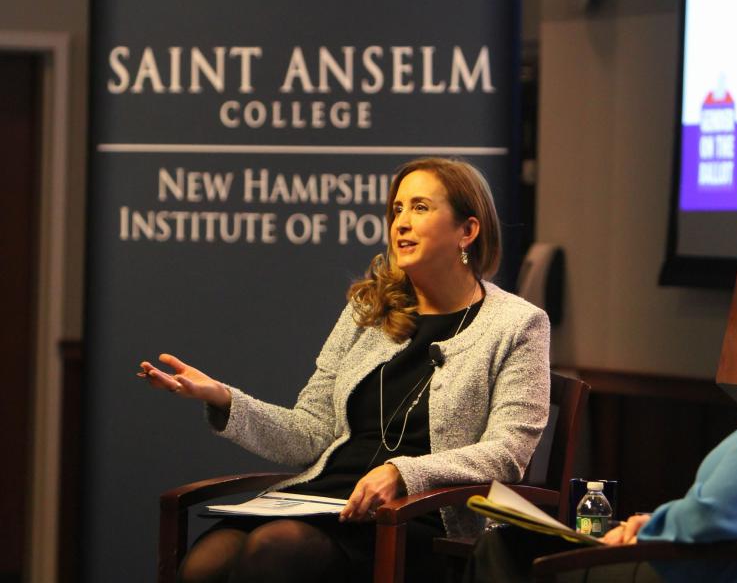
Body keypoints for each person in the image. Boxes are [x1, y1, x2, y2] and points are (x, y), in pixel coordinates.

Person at [139, 157, 551, 583]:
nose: (401, 223)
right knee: (207, 563)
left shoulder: (516, 325)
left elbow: (507, 454)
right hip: (324, 499)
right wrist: (223, 398)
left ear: (467, 230)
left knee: (275, 551)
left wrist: (403, 472)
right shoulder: (369, 310)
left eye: (421, 208)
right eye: (397, 210)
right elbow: (311, 432)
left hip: (415, 516)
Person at [465, 182, 737, 583]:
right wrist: (657, 525)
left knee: (506, 546)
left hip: (727, 573)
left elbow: (721, 514)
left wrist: (650, 528)